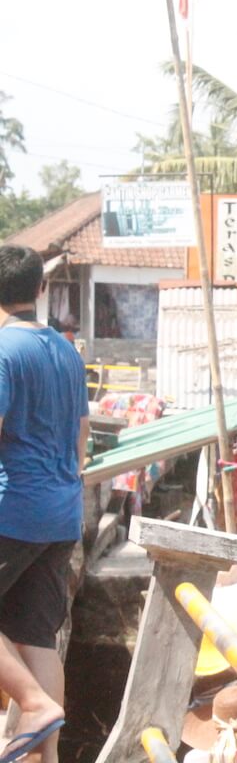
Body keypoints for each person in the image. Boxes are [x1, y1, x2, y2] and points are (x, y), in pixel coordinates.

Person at [0, 245, 88, 763]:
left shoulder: (3, 352)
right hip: (62, 513)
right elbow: (81, 440)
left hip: (15, 507)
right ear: (39, 290)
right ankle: (47, 756)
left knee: (33, 635)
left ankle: (33, 703)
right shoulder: (66, 351)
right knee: (35, 633)